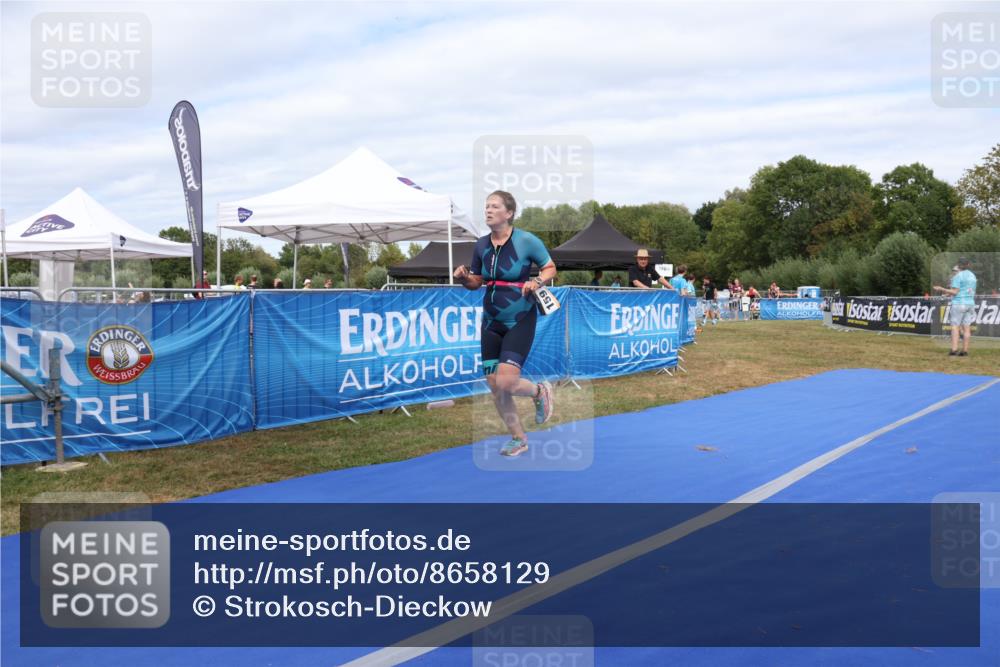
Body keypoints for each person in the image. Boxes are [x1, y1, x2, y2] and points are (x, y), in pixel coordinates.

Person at [453, 190, 557, 458]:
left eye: (494, 206)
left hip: (519, 318)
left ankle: (539, 391)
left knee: (507, 382)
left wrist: (538, 281)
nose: (488, 210)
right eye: (486, 206)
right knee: (494, 384)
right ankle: (518, 438)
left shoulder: (526, 241)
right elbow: (477, 283)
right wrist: (465, 277)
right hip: (490, 322)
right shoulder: (480, 245)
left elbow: (550, 268)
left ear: (508, 213)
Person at [933, 258, 977, 356]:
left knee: (955, 327)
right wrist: (947, 294)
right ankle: (965, 351)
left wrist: (941, 289)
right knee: (967, 328)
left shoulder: (958, 276)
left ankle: (954, 350)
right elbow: (964, 290)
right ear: (968, 265)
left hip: (959, 303)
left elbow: (955, 292)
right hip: (970, 303)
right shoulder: (973, 276)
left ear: (959, 265)